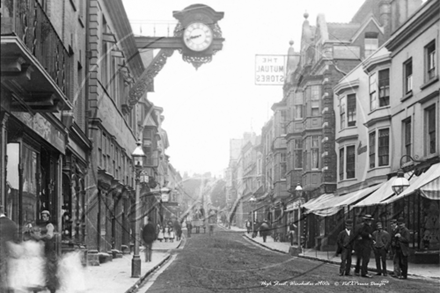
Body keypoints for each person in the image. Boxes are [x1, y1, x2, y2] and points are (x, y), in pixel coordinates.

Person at [31, 210, 59, 293]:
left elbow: (49, 235)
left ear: (48, 217)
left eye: (45, 216)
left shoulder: (49, 225)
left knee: (49, 271)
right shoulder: (41, 225)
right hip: (43, 250)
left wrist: (39, 237)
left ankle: (52, 289)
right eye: (42, 216)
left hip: (49, 251)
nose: (43, 217)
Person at [0, 205, 19, 293]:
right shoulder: (13, 224)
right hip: (10, 254)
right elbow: (16, 241)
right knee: (9, 276)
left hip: (1, 254)